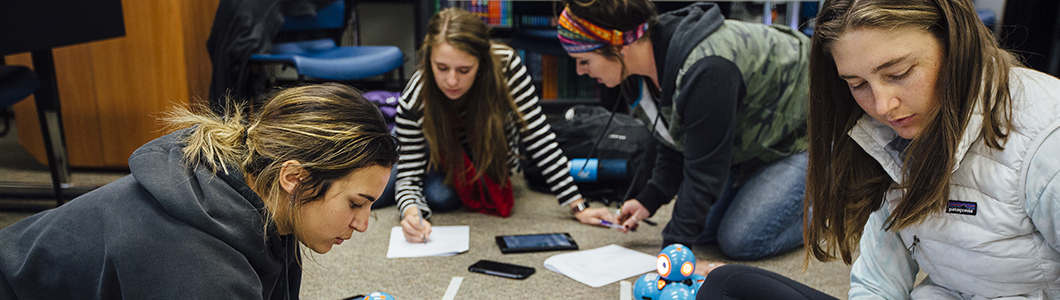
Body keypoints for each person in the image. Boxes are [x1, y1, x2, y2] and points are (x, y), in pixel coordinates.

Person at [691, 0, 1060, 299]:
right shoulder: (887, 131)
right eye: (857, 84)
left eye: (898, 73)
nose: (882, 106)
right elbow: (877, 283)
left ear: (955, 42)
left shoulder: (1046, 136)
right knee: (727, 285)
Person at [0, 83, 399, 299]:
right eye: (355, 203)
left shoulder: (262, 198)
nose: (363, 225)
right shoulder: (200, 268)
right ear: (294, 177)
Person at [558, 0, 811, 262]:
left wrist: (673, 254)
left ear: (619, 45)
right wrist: (649, 198)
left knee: (741, 240)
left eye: (583, 60)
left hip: (804, 134)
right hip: (752, 138)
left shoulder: (707, 68)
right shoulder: (641, 69)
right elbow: (676, 139)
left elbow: (705, 171)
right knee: (701, 230)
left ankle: (829, 206)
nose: (580, 71)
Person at [377, 8, 601, 244]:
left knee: (441, 197)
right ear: (429, 59)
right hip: (432, 146)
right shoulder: (415, 98)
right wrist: (412, 213)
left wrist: (578, 206)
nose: (452, 81)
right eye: (442, 68)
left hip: (486, 151)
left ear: (481, 63)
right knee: (380, 194)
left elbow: (539, 136)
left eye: (464, 70)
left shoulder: (506, 64)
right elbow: (409, 176)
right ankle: (391, 147)